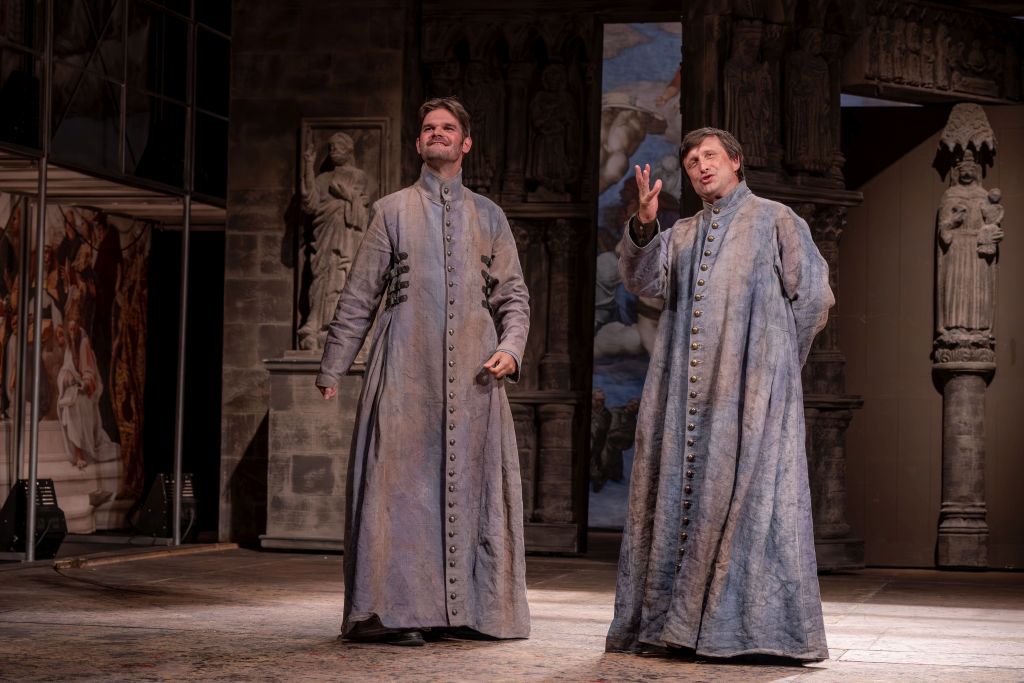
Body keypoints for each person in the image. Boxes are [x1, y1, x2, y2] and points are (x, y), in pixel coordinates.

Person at [605, 127, 833, 662]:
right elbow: (643, 282)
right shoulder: (681, 233)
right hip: (686, 397)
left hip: (752, 397)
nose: (702, 167)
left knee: (753, 506)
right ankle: (672, 628)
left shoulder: (775, 219)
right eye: (692, 162)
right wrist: (644, 223)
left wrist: (775, 370)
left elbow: (814, 297)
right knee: (683, 500)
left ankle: (751, 633)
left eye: (710, 157)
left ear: (735, 162)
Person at [316, 97, 531, 647]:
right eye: (429, 128)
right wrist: (333, 365)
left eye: (448, 128)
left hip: (475, 377)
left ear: (465, 143)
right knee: (401, 487)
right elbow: (359, 294)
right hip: (405, 370)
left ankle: (471, 611)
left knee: (473, 486)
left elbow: (513, 295)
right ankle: (388, 613)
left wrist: (511, 347)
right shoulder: (391, 210)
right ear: (417, 143)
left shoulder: (490, 215)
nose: (438, 133)